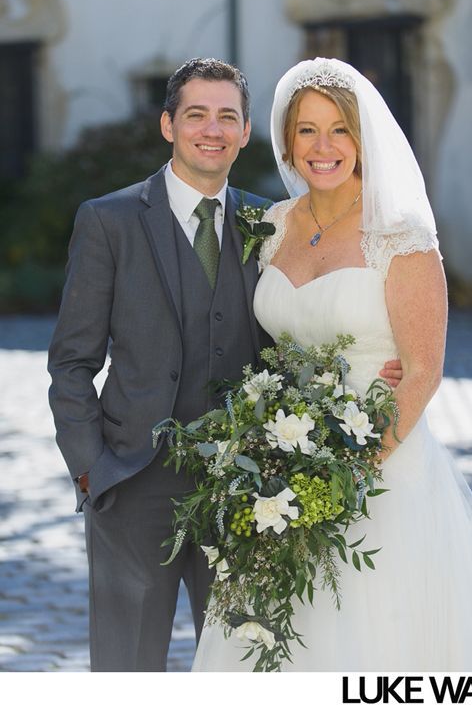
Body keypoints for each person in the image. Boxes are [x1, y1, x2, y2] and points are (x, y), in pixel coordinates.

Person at [191, 57, 472, 671]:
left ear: (363, 140)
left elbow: (424, 370)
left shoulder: (401, 236)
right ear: (286, 141)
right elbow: (268, 349)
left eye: (340, 130)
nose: (323, 147)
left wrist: (351, 471)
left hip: (380, 469)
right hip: (283, 468)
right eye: (307, 130)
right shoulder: (272, 227)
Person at [46, 58, 270, 671]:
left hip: (244, 490)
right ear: (168, 125)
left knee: (244, 669)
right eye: (196, 114)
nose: (212, 129)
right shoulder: (108, 221)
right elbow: (71, 361)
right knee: (127, 671)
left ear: (246, 131)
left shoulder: (268, 224)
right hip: (131, 482)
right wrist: (92, 470)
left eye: (228, 116)